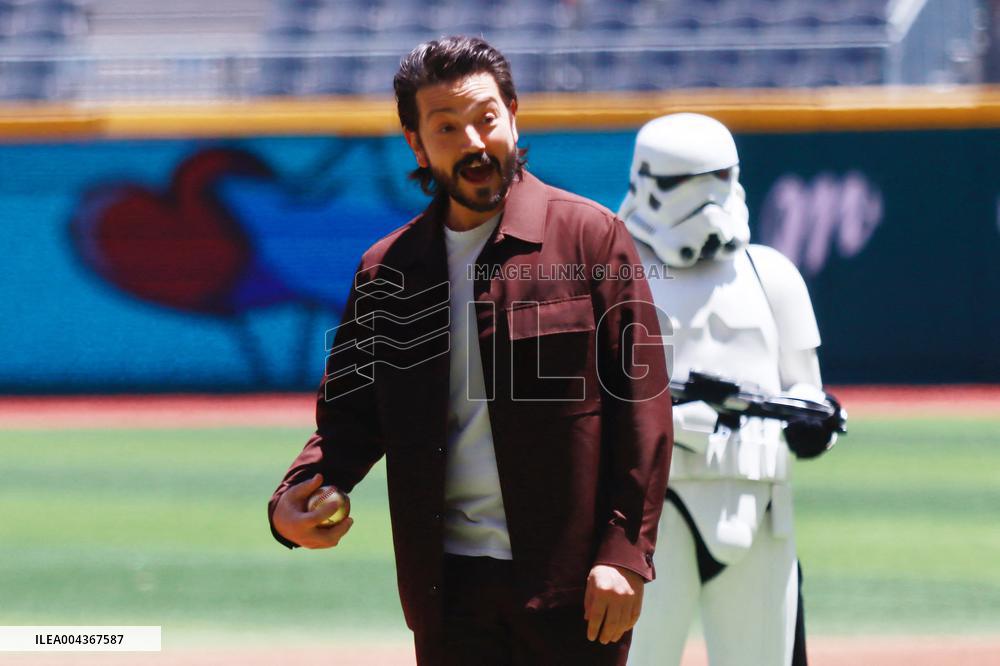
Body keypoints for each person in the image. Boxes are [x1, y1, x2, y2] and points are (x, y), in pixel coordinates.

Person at [267, 36, 674, 666]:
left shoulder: (593, 237)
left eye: (486, 118)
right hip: (447, 595)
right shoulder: (388, 271)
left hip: (572, 593)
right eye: (447, 127)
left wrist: (625, 551)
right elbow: (349, 418)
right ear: (416, 143)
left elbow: (643, 409)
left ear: (513, 113)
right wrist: (298, 494)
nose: (474, 142)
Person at [619, 114, 844, 666]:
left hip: (760, 511)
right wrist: (674, 420)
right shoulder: (612, 273)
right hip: (648, 516)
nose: (707, 201)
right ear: (649, 182)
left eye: (719, 178)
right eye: (685, 184)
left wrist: (817, 425)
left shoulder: (770, 275)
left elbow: (806, 395)